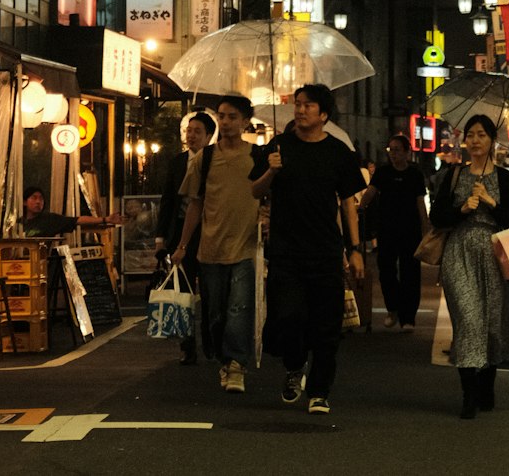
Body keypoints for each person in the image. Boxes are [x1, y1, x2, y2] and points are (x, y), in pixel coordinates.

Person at [250, 82, 365, 417]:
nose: (300, 110)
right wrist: (271, 169)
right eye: (298, 104)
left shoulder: (339, 154)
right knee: (288, 316)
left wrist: (354, 249)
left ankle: (319, 390)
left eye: (308, 105)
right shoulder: (278, 146)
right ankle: (294, 364)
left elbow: (348, 204)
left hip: (326, 252)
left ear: (324, 114)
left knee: (327, 327)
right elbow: (255, 191)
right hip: (286, 251)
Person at [429, 112, 509, 418]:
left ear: (492, 140)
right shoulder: (453, 175)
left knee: (493, 324)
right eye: (470, 135)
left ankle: (487, 384)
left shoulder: (505, 178)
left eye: (481, 135)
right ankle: (468, 395)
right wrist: (462, 208)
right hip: (460, 254)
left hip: (495, 255)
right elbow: (437, 218)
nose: (475, 140)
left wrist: (490, 202)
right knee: (469, 322)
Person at [172, 94, 260, 395]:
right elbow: (194, 205)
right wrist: (182, 245)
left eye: (233, 117)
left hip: (246, 247)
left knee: (240, 307)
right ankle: (224, 358)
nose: (226, 122)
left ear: (246, 121)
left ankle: (236, 365)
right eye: (222, 116)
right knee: (215, 313)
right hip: (210, 247)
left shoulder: (258, 157)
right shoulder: (204, 158)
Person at [156, 111, 216, 365]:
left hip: (211, 231)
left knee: (212, 291)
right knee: (182, 291)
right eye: (189, 131)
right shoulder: (178, 162)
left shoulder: (215, 161)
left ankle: (211, 340)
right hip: (182, 231)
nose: (191, 135)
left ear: (210, 136)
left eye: (197, 131)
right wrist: (161, 237)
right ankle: (187, 345)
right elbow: (168, 200)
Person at [358, 132, 428, 329]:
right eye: (391, 150)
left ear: (407, 152)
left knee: (410, 272)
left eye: (397, 150)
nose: (393, 154)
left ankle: (408, 317)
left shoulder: (415, 174)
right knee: (386, 270)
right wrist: (360, 207)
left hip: (410, 229)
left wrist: (425, 227)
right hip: (387, 228)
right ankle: (393, 308)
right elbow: (371, 192)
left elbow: (420, 202)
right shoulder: (383, 172)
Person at [21, 185, 124, 237]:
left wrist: (105, 219)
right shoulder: (18, 223)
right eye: (34, 198)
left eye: (41, 198)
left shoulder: (49, 219)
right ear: (24, 202)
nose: (38, 201)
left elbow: (77, 220)